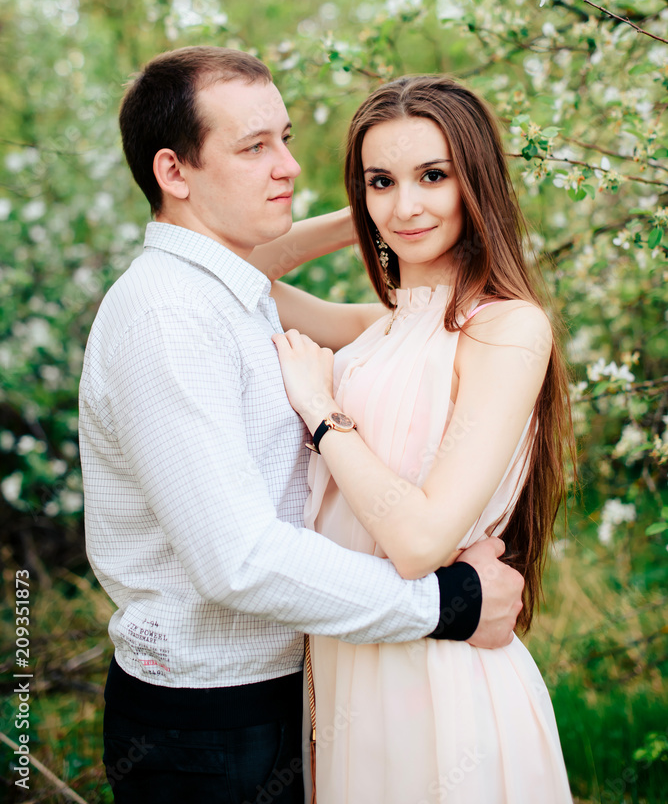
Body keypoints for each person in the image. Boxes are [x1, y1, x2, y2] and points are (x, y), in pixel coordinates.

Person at [78, 48, 525, 804]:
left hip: (305, 683)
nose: (287, 165)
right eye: (255, 148)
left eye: (284, 138)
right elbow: (239, 560)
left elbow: (263, 258)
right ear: (174, 173)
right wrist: (448, 604)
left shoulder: (233, 290)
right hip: (211, 724)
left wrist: (400, 206)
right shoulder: (168, 318)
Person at [271, 75, 575, 803]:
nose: (407, 205)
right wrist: (370, 211)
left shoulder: (507, 328)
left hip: (442, 682)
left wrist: (321, 413)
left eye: (434, 175)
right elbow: (241, 270)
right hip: (348, 673)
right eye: (383, 180)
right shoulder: (377, 329)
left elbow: (420, 544)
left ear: (477, 181)